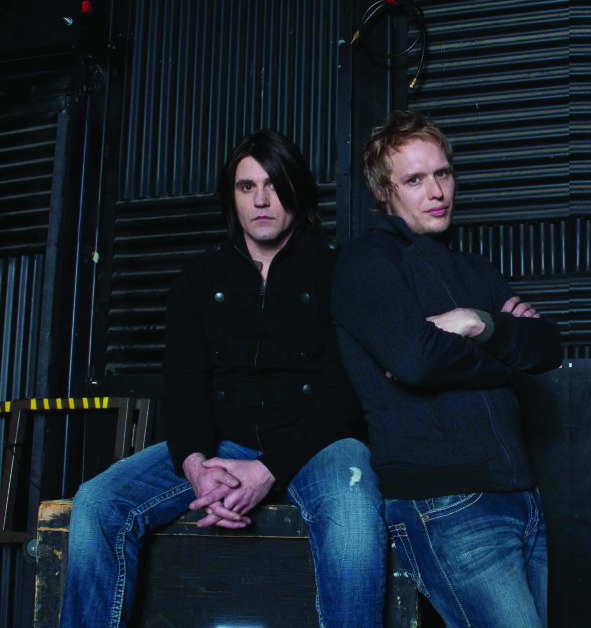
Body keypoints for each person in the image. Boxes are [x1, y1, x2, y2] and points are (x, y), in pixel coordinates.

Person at [61, 130, 385, 628]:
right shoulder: (198, 279)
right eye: (246, 186)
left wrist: (266, 471)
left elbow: (343, 393)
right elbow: (183, 386)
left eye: (274, 184)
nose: (261, 200)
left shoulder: (340, 271)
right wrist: (196, 466)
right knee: (96, 503)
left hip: (320, 446)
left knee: (354, 519)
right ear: (231, 198)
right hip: (223, 444)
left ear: (297, 190)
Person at [334, 111, 563, 628]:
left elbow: (547, 348)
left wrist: (474, 322)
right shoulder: (367, 261)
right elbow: (415, 360)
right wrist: (504, 351)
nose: (436, 191)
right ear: (383, 193)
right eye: (414, 180)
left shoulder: (475, 269)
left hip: (521, 495)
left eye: (442, 173)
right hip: (446, 502)